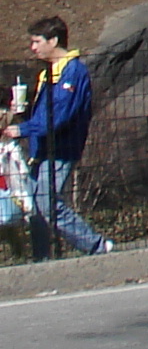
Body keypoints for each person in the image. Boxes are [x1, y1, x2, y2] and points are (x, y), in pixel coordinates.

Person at [2, 16, 109, 257]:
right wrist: (20, 112)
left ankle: (97, 246)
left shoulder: (73, 72)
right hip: (40, 150)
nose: (33, 48)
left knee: (47, 204)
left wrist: (22, 130)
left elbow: (59, 116)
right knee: (35, 208)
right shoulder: (47, 73)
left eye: (37, 41)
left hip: (60, 149)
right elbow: (44, 113)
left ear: (54, 40)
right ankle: (42, 258)